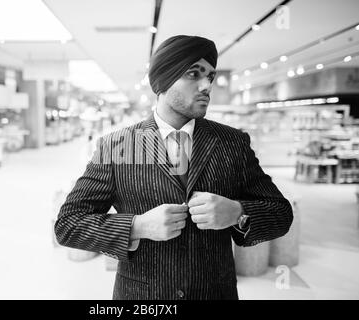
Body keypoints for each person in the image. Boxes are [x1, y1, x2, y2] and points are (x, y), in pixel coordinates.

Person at [55, 35, 293, 300]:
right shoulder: (116, 146)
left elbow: (281, 213)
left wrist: (237, 212)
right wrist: (138, 226)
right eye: (194, 74)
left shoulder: (232, 143)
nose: (206, 86)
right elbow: (68, 224)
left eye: (210, 76)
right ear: (164, 79)